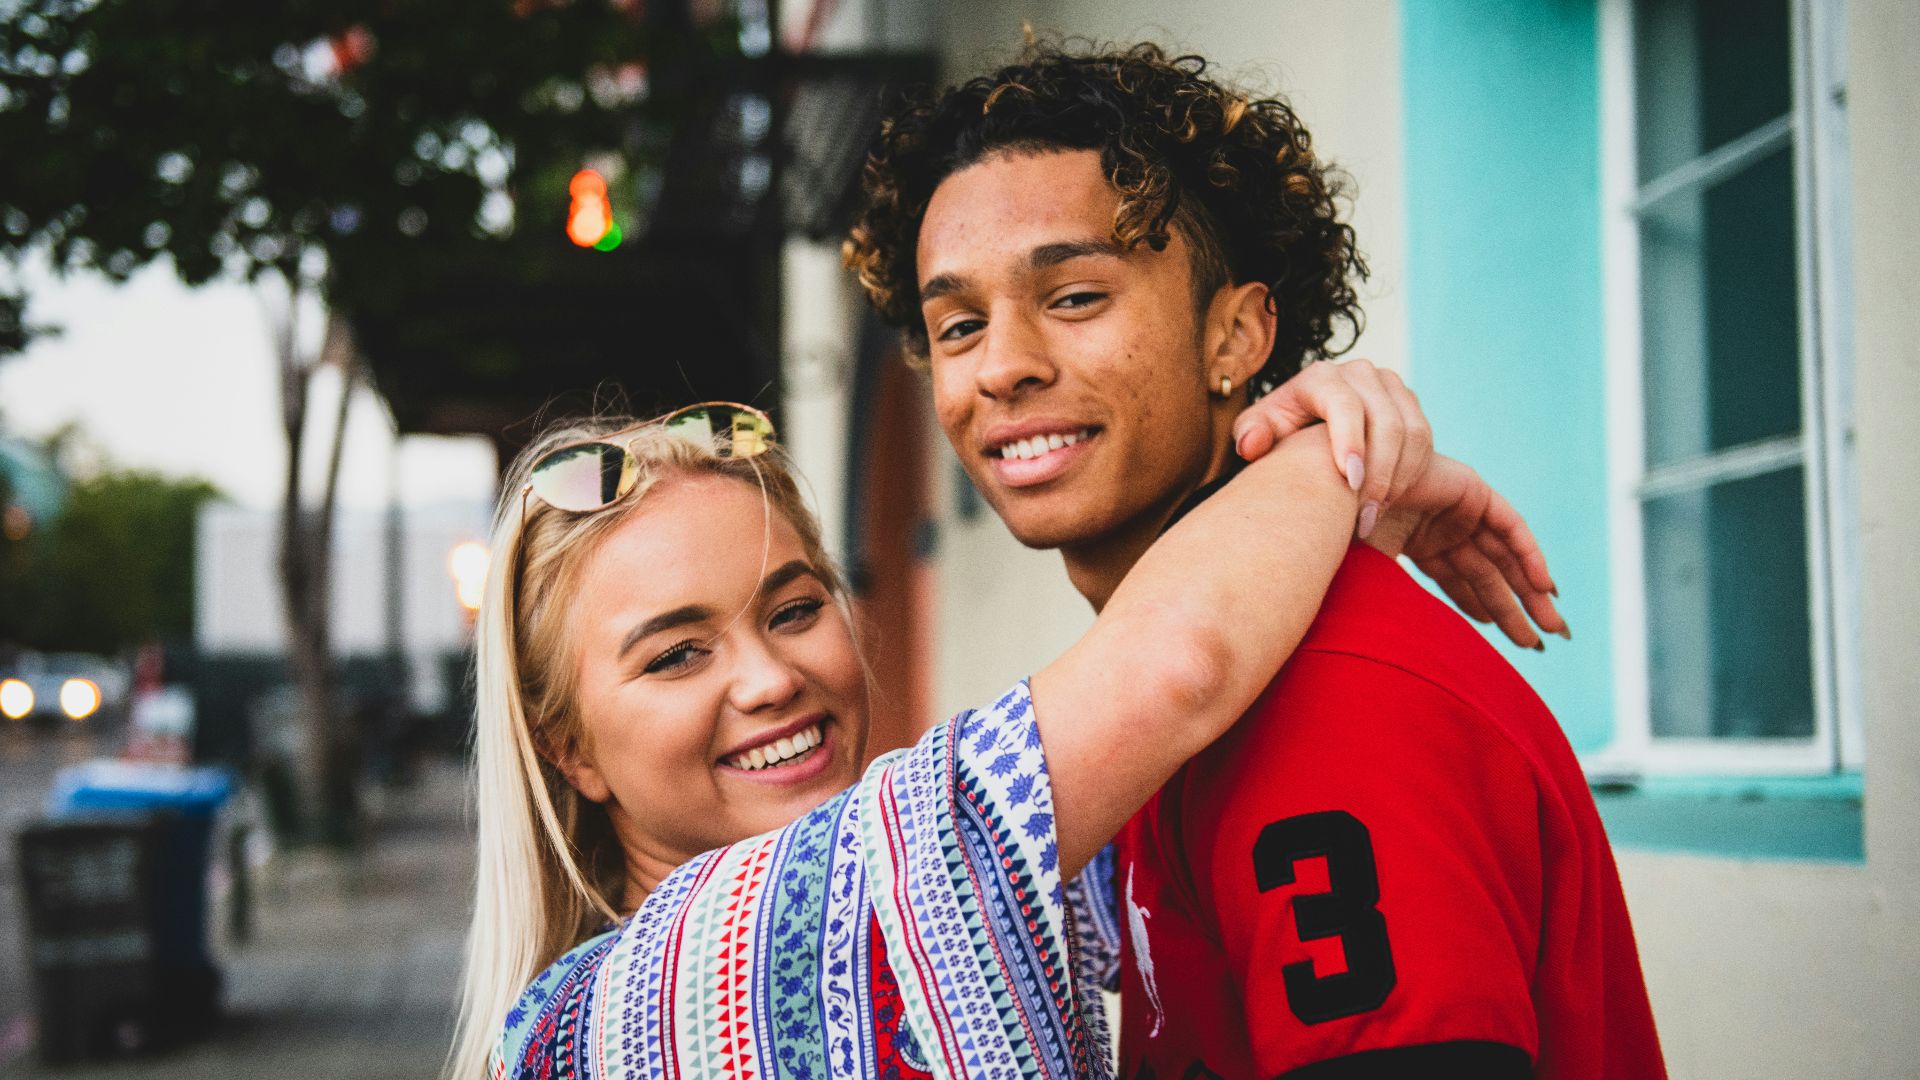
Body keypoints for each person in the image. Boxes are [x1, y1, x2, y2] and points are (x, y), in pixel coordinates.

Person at [841, 41, 1666, 1078]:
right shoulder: (1167, 700)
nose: (1000, 366)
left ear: (1235, 339)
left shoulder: (1331, 702)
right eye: (957, 324)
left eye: (1075, 297)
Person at [449, 391, 1559, 1079]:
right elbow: (1178, 664)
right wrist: (1342, 450)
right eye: (676, 653)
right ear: (569, 749)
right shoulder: (633, 999)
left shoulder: (925, 897)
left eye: (793, 609)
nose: (771, 677)